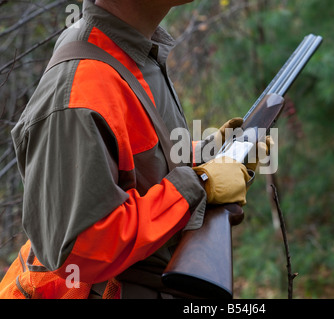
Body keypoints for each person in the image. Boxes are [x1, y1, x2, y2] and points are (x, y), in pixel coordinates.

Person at [0, 0, 260, 299]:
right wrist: (201, 183)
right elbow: (81, 249)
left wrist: (208, 154)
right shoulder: (80, 87)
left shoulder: (131, 50)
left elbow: (135, 165)